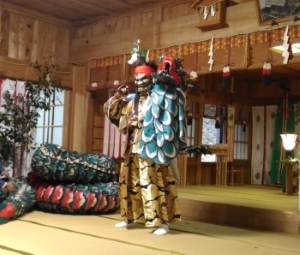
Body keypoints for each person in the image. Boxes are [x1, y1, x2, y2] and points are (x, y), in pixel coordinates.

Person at [103, 55, 187, 235]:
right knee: (129, 184)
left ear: (152, 79)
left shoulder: (159, 98)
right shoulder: (131, 100)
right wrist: (118, 96)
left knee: (153, 183)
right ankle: (131, 217)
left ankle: (162, 222)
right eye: (137, 79)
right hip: (132, 147)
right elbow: (112, 113)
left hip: (152, 148)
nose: (140, 82)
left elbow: (169, 119)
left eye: (144, 79)